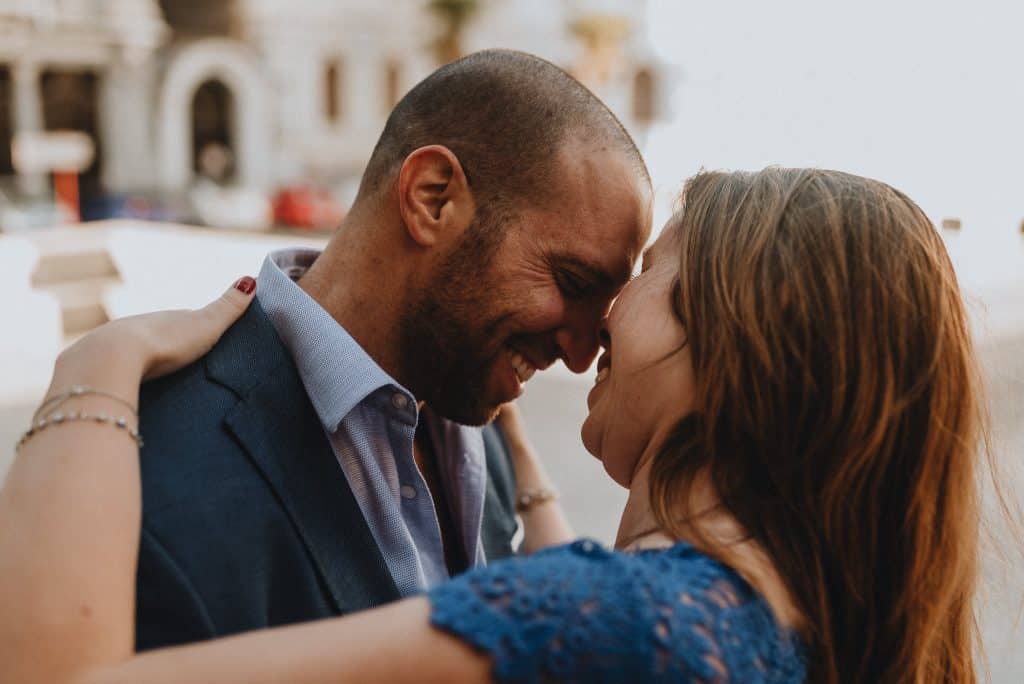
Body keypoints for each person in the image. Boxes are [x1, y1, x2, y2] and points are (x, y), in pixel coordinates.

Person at [0, 168, 987, 683]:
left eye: (646, 277)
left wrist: (96, 371)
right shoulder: (788, 613)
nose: (594, 323)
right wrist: (511, 450)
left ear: (737, 341)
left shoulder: (627, 625)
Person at [132, 49, 650, 648]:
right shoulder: (152, 458)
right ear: (432, 198)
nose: (583, 356)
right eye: (573, 283)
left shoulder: (477, 410)